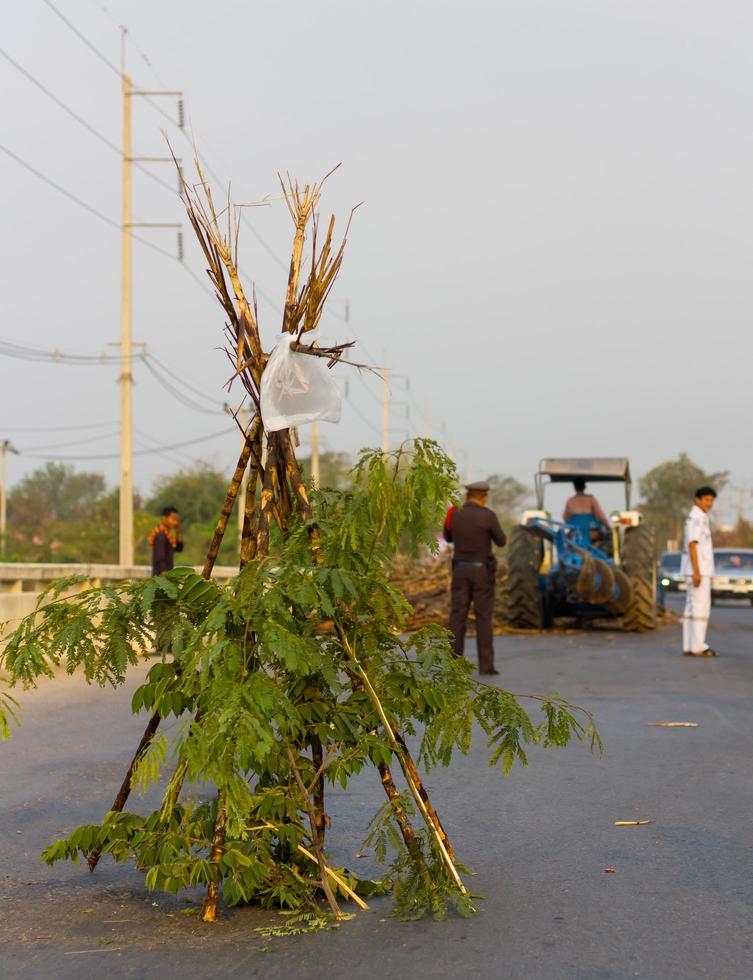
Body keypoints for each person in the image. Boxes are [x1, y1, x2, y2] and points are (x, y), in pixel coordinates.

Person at [444, 481, 507, 675]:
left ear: (467, 496)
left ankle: (454, 665)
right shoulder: (488, 516)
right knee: (483, 618)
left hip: (460, 570)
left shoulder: (454, 513)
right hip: (481, 572)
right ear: (484, 496)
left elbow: (447, 537)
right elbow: (501, 541)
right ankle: (486, 667)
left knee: (457, 616)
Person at [681, 486, 717, 657]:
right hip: (698, 571)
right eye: (706, 499)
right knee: (700, 609)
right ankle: (698, 646)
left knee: (691, 609)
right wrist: (697, 571)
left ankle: (689, 645)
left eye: (711, 500)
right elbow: (693, 544)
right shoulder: (697, 518)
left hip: (695, 570)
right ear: (697, 499)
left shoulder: (698, 517)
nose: (709, 503)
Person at [149, 506, 184, 575]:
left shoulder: (169, 535)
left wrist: (178, 532)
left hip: (167, 575)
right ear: (164, 518)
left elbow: (179, 548)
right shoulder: (160, 536)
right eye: (173, 519)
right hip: (160, 578)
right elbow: (160, 558)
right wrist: (165, 576)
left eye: (177, 520)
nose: (176, 522)